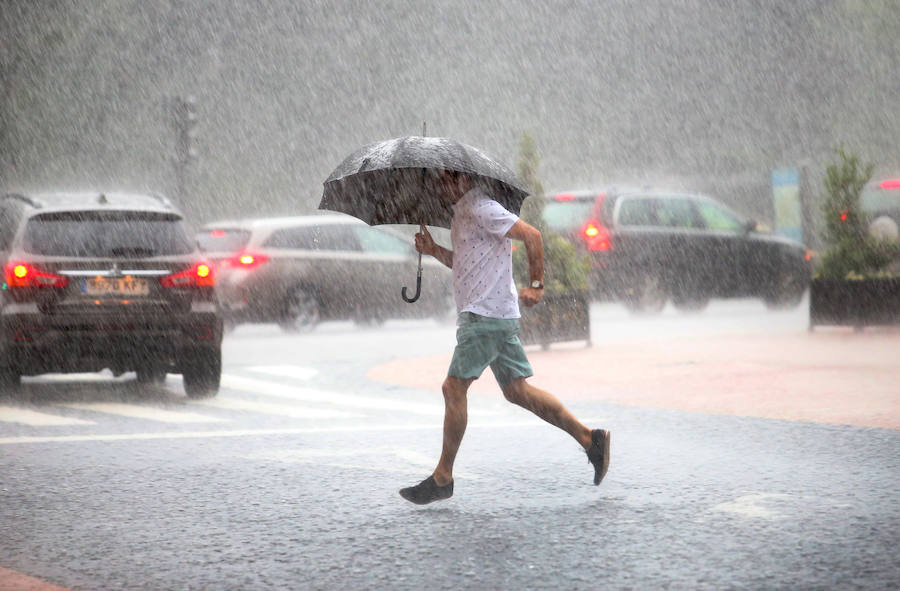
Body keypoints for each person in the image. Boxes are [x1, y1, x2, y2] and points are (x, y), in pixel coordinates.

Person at [399, 169, 610, 505]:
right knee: (517, 391)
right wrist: (434, 249)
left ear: (463, 180)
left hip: (485, 316)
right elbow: (465, 262)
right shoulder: (462, 214)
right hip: (491, 315)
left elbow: (533, 235)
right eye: (438, 180)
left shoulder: (482, 207)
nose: (440, 186)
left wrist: (538, 285)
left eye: (445, 179)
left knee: (453, 388)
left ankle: (443, 476)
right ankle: (590, 439)